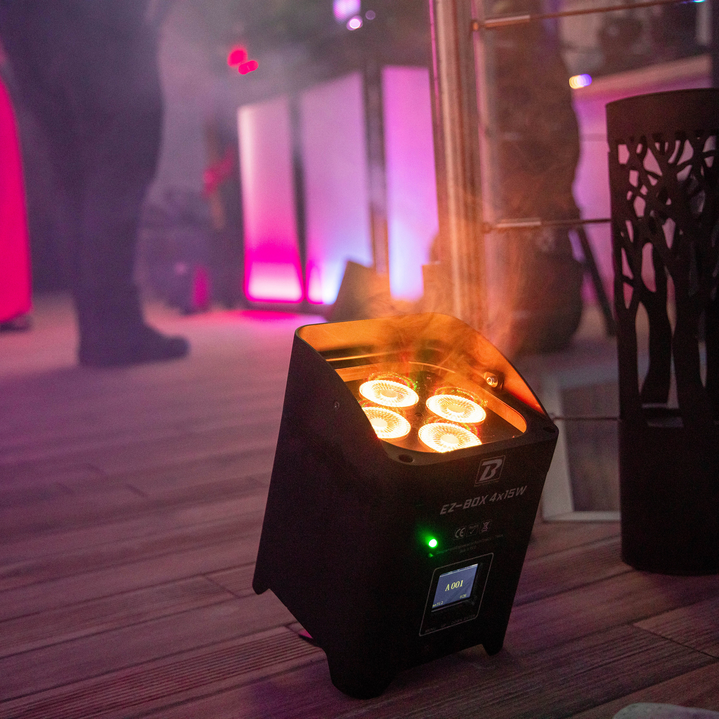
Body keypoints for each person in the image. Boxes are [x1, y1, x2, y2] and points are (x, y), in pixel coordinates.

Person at [0, 0, 189, 366]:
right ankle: (114, 331)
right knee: (120, 159)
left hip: (25, 27)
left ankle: (99, 330)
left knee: (74, 177)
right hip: (93, 20)